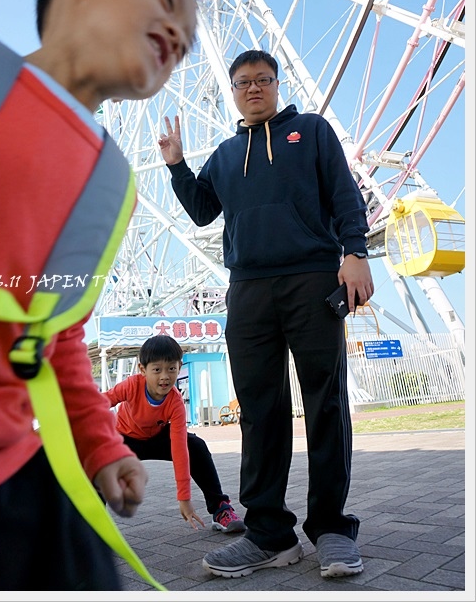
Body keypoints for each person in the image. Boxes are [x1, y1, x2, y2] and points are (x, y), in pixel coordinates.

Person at [0, 0, 197, 591]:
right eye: (167, 0)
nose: (179, 33)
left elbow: (54, 337)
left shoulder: (112, 190)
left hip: (8, 465)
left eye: (190, 39)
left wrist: (100, 445)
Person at [158, 49, 374, 579]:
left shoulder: (313, 132)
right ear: (232, 92)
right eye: (242, 83)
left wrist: (354, 252)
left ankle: (330, 529)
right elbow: (204, 209)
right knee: (258, 409)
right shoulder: (228, 154)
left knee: (325, 403)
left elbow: (345, 196)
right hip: (248, 288)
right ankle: (270, 533)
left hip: (310, 278)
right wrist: (176, 165)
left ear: (277, 85)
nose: (253, 88)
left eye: (262, 80)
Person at [102, 334, 245, 534]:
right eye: (157, 369)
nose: (165, 376)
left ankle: (220, 509)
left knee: (195, 446)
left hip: (156, 437)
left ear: (179, 366)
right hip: (124, 438)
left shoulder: (175, 402)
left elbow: (179, 449)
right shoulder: (131, 385)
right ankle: (93, 525)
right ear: (142, 370)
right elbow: (98, 404)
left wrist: (184, 498)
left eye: (171, 368)